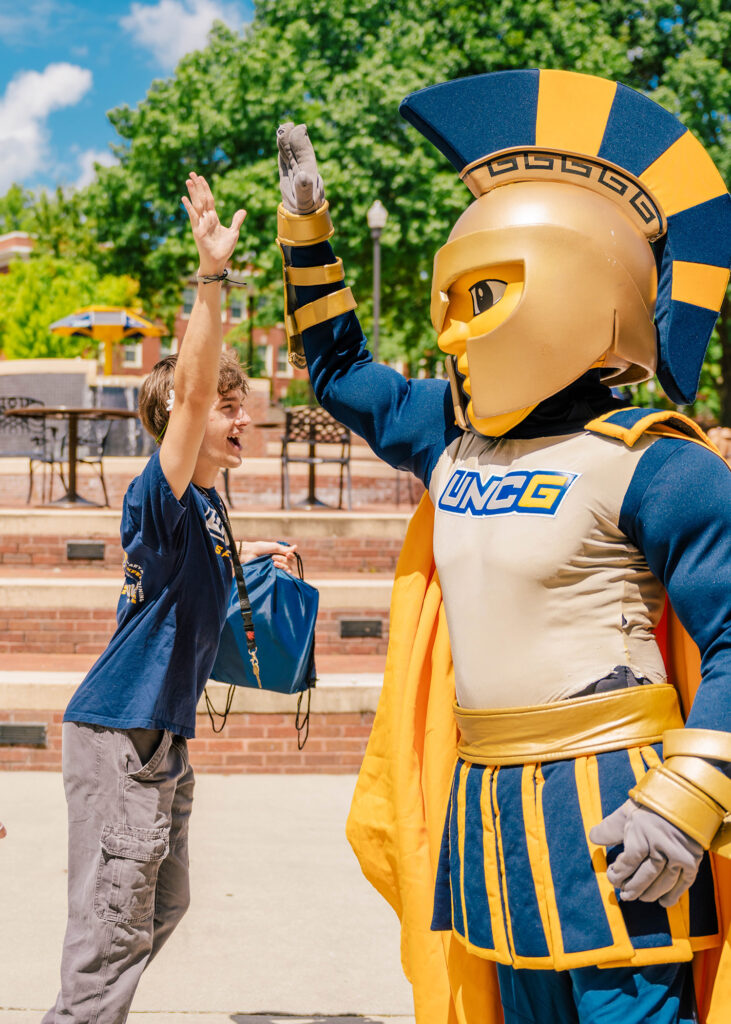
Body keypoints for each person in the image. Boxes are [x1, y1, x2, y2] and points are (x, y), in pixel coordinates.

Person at [274, 68, 731, 1024]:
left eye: (482, 293)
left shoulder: (654, 463)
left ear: (573, 286)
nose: (454, 328)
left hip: (622, 811)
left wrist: (688, 796)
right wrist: (308, 236)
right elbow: (342, 373)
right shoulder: (451, 434)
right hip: (487, 814)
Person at [44, 172, 294, 1023]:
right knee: (110, 936)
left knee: (160, 904)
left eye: (244, 410)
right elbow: (187, 396)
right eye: (233, 411)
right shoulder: (165, 490)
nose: (244, 423)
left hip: (157, 737)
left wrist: (252, 554)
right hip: (123, 731)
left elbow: (200, 569)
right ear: (187, 421)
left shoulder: (211, 510)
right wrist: (211, 277)